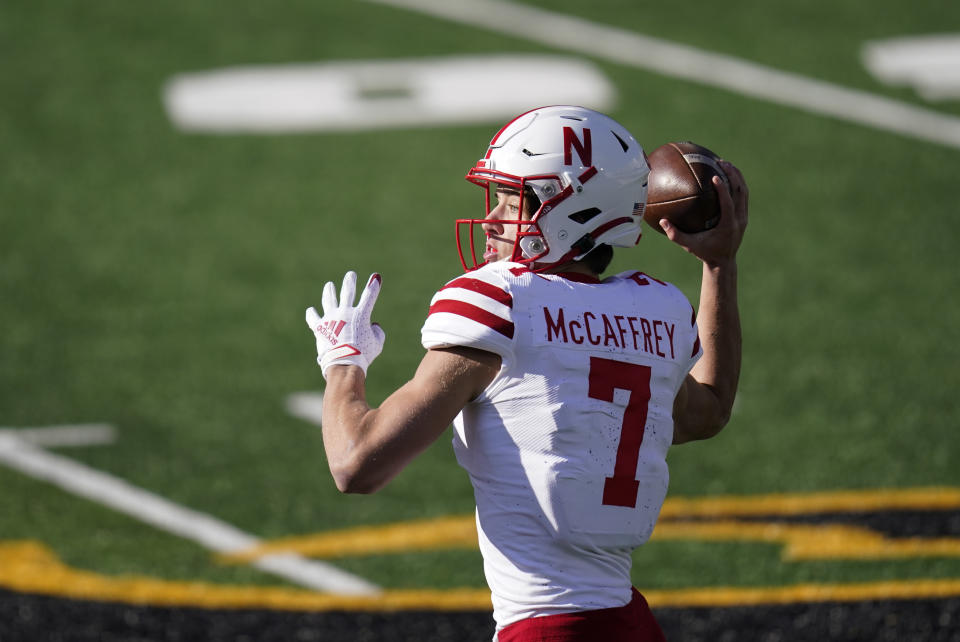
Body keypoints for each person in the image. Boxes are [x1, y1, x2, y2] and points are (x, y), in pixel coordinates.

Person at [305, 105, 747, 641]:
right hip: (631, 625)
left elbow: (356, 464)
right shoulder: (656, 310)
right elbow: (709, 409)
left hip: (543, 628)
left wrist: (343, 361)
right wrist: (719, 265)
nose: (492, 219)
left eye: (511, 200)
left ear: (572, 210)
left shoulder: (501, 302)